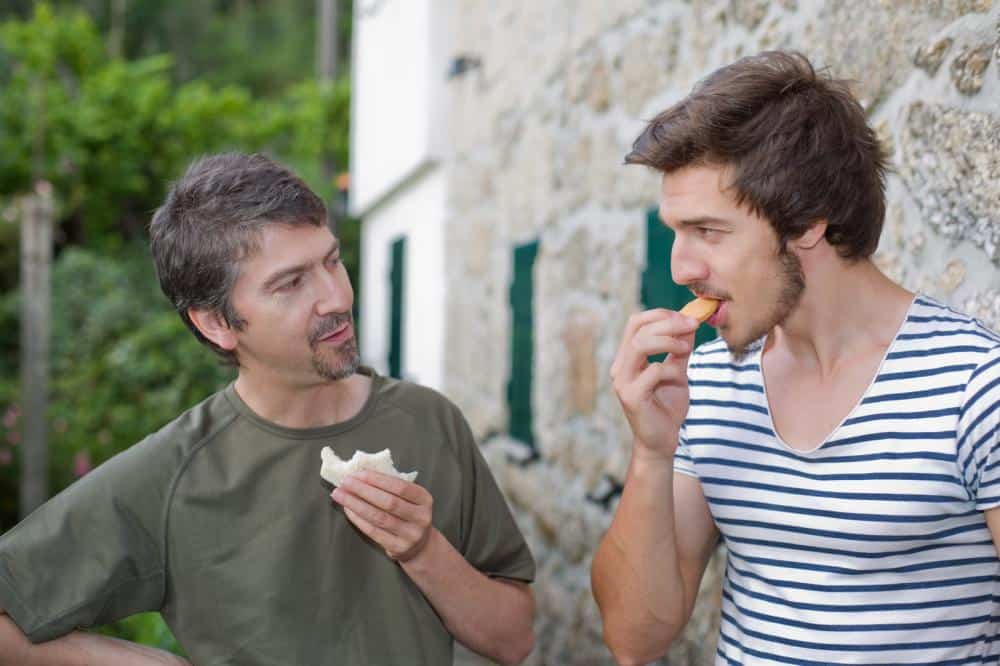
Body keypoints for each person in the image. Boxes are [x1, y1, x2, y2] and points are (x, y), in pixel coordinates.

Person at [0, 153, 536, 666]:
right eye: (292, 283)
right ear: (216, 323)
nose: (335, 297)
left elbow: (513, 640)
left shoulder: (429, 420)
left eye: (332, 261)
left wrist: (422, 549)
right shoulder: (172, 474)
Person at [591, 50, 1000, 665]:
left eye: (708, 231)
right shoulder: (707, 382)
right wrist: (652, 451)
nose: (680, 269)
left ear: (808, 222)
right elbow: (634, 638)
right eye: (675, 231)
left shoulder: (975, 386)